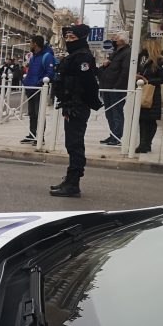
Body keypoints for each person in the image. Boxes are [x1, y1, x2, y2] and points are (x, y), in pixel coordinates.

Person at [49, 24, 101, 197]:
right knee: (71, 144)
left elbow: (89, 84)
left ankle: (73, 183)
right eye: (68, 38)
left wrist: (89, 103)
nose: (69, 41)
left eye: (73, 38)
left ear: (81, 39)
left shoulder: (83, 57)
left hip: (77, 106)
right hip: (71, 105)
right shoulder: (75, 56)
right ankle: (70, 180)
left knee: (75, 144)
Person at [135, 39, 163, 153]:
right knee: (142, 119)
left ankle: (145, 144)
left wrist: (147, 80)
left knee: (149, 120)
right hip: (143, 91)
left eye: (145, 46)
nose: (143, 48)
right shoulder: (144, 59)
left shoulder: (160, 60)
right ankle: (144, 144)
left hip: (152, 93)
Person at [22, 34, 57, 144]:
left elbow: (50, 73)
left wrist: (39, 82)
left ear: (35, 44)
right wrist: (26, 81)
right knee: (32, 113)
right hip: (30, 88)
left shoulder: (47, 56)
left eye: (30, 43)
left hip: (39, 88)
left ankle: (40, 137)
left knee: (39, 113)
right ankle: (32, 135)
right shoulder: (33, 56)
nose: (30, 45)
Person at [98, 32, 130, 146]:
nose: (114, 40)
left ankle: (117, 136)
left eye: (116, 39)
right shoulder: (116, 52)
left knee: (117, 112)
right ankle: (113, 135)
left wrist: (117, 86)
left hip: (116, 88)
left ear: (122, 41)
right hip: (107, 87)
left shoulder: (127, 53)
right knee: (109, 113)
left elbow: (125, 71)